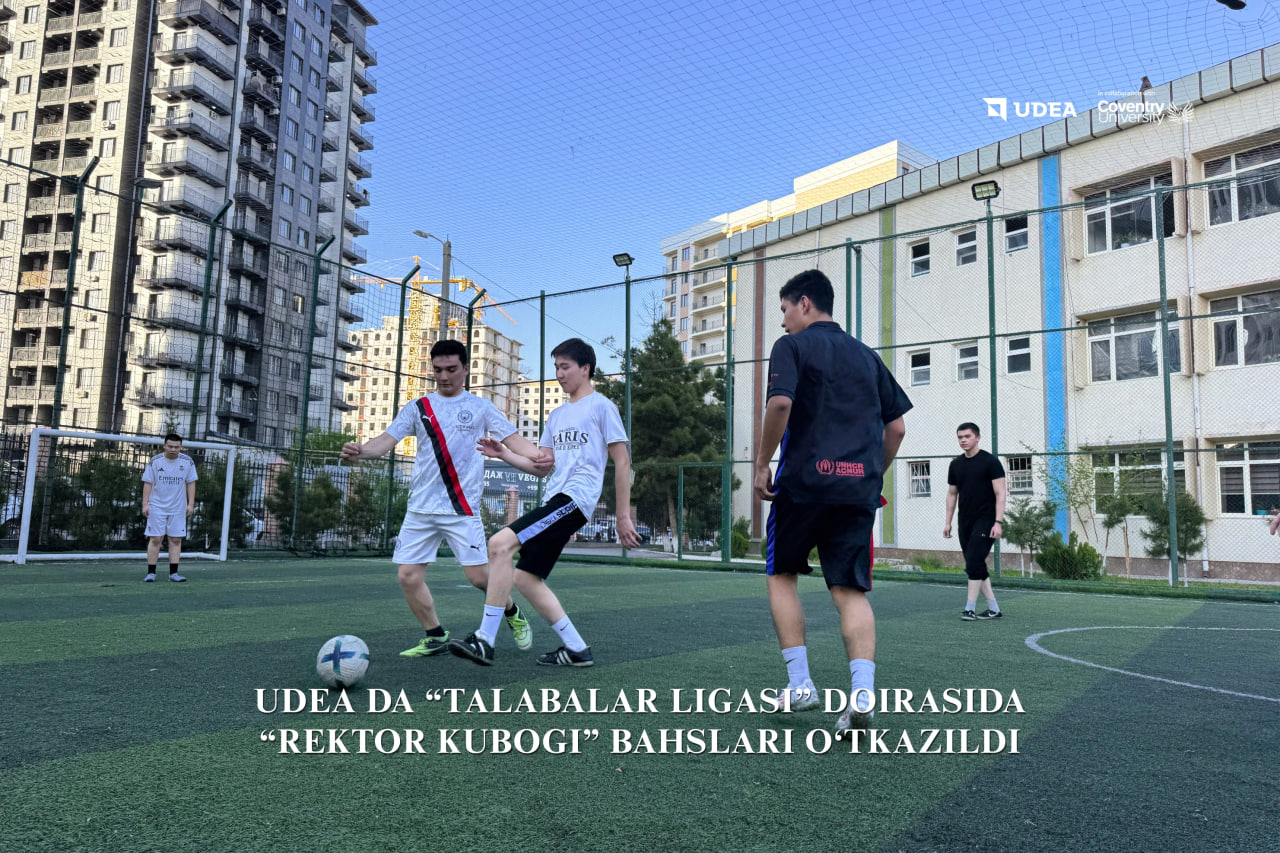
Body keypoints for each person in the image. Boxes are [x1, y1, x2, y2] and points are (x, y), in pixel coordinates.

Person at [752, 270, 911, 732]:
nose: (783, 322)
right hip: (857, 488)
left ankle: (800, 685)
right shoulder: (867, 356)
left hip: (804, 484)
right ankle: (862, 694)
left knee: (781, 575)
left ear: (804, 303)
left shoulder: (793, 347)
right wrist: (871, 473)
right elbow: (896, 428)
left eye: (783, 310)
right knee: (849, 590)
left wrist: (762, 464)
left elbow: (779, 405)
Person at [341, 339, 547, 657]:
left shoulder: (481, 408)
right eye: (438, 370)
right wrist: (362, 451)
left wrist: (539, 456)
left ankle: (512, 613)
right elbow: (386, 440)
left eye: (452, 369)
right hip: (421, 509)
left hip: (460, 509)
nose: (444, 376)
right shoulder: (418, 407)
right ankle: (435, 635)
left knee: (480, 578)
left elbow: (513, 440)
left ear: (466, 369)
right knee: (408, 576)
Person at [449, 337, 639, 667]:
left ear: (585, 369)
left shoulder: (601, 407)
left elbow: (622, 461)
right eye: (556, 367)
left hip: (574, 500)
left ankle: (485, 640)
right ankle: (576, 648)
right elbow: (541, 467)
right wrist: (505, 454)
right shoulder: (557, 415)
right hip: (555, 499)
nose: (559, 374)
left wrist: (623, 515)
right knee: (524, 578)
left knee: (499, 544)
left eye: (565, 367)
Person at [944, 422, 1007, 621]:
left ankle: (969, 608)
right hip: (966, 521)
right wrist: (948, 522)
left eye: (967, 436)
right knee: (976, 563)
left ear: (977, 438)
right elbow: (952, 494)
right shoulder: (956, 465)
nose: (963, 440)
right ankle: (994, 608)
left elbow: (1001, 493)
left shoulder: (990, 462)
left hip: (987, 520)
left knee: (973, 561)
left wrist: (998, 522)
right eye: (960, 437)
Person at [141, 433, 198, 582]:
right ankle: (151, 573)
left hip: (178, 507)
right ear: (164, 446)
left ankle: (174, 573)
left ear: (181, 447)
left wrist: (190, 504)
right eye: (170, 446)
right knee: (156, 539)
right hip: (157, 506)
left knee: (175, 539)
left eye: (177, 447)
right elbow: (148, 482)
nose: (173, 449)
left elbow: (191, 482)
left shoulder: (188, 462)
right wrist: (145, 504)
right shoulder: (155, 461)